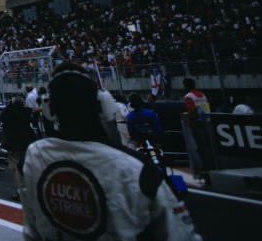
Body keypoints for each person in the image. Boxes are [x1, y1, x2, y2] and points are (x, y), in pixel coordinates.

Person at [21, 63, 201, 241]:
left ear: (49, 109)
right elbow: (180, 233)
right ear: (104, 105)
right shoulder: (134, 168)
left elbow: (31, 231)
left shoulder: (35, 156)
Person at [0, 95, 35, 201]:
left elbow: (1, 116)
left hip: (14, 142)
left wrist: (8, 106)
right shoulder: (26, 112)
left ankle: (20, 190)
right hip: (28, 141)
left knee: (16, 167)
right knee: (28, 165)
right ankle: (30, 187)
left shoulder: (8, 113)